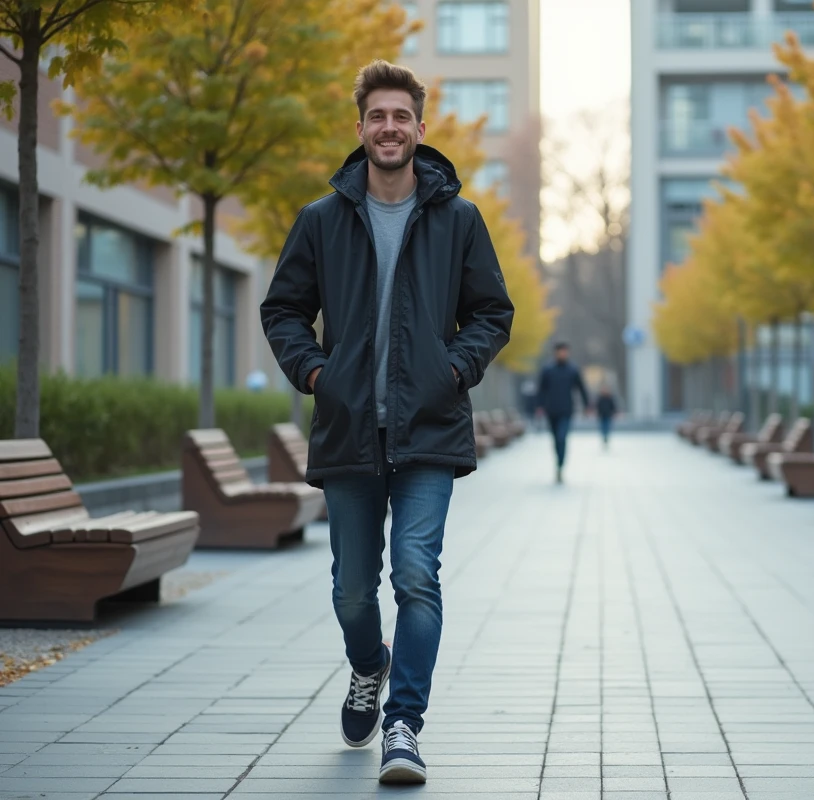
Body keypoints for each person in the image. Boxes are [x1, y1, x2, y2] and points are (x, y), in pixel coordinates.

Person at [260, 60, 513, 786]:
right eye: (378, 116)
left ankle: (403, 725)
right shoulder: (321, 220)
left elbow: (492, 312)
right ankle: (368, 666)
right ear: (362, 127)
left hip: (429, 428)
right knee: (350, 589)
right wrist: (316, 374)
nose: (390, 127)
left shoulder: (458, 219)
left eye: (402, 116)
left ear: (420, 129)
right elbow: (282, 309)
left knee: (416, 577)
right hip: (347, 431)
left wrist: (454, 369)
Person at [536, 342, 590, 483]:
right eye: (560, 351)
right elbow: (541, 389)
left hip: (566, 410)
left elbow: (581, 387)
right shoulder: (548, 370)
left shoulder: (573, 370)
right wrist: (540, 406)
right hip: (551, 410)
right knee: (555, 439)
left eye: (565, 351)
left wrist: (587, 405)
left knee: (562, 437)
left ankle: (560, 465)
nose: (563, 354)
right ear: (556, 352)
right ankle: (558, 461)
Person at [596, 384, 618, 449]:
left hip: (608, 415)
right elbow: (598, 406)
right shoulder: (600, 398)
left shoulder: (610, 398)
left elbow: (613, 406)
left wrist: (614, 412)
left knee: (607, 426)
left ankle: (606, 436)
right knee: (603, 427)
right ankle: (604, 436)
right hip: (602, 416)